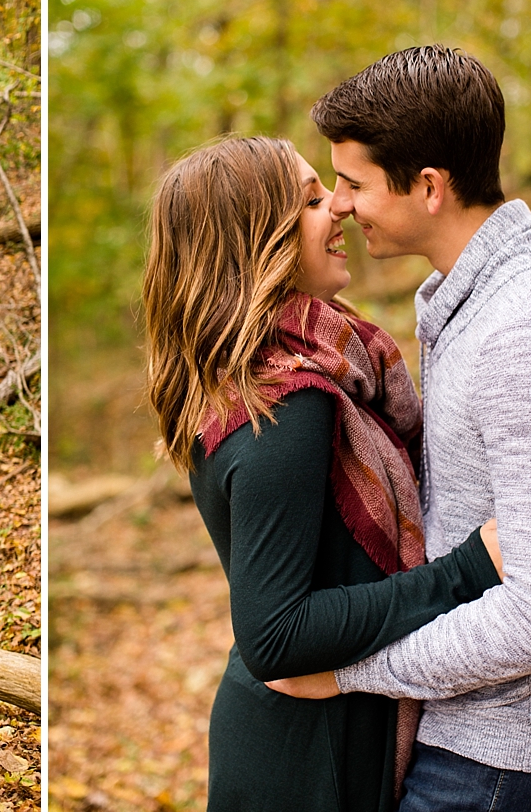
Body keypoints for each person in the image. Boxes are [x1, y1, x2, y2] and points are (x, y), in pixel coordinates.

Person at [268, 46, 531, 812]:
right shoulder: (470, 303)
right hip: (473, 723)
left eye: (354, 183)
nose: (338, 205)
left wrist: (346, 669)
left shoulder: (527, 336)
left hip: (514, 750)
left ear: (428, 187)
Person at [142, 135, 504, 812]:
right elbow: (273, 634)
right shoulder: (291, 402)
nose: (338, 207)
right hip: (308, 760)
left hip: (313, 737)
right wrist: (468, 571)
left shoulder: (257, 375)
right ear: (258, 241)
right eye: (311, 200)